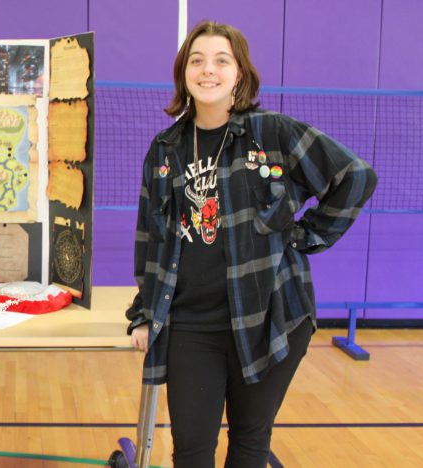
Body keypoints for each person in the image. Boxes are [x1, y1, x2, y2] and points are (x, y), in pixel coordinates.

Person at [126, 20, 377, 467]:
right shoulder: (165, 150)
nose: (209, 70)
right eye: (197, 60)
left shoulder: (272, 133)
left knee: (250, 444)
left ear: (239, 73)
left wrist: (307, 235)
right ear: (184, 72)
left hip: (270, 317)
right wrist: (146, 312)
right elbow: (151, 238)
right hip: (190, 326)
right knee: (192, 451)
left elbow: (355, 176)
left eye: (222, 60)